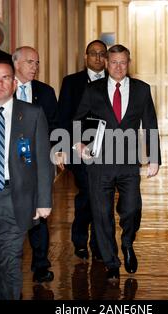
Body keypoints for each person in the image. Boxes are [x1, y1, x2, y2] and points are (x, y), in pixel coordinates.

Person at [73, 44, 161, 281]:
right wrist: (78, 144)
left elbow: (150, 125)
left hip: (129, 163)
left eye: (123, 62)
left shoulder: (142, 90)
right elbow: (77, 120)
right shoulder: (93, 90)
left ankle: (127, 242)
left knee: (132, 208)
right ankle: (111, 262)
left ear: (128, 63)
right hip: (99, 163)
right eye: (114, 62)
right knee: (101, 214)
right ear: (106, 64)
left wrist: (154, 159)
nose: (118, 67)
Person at [0, 60, 53, 299]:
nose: (0, 83)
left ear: (15, 83)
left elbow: (43, 161)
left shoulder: (32, 114)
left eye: (6, 78)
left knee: (10, 258)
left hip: (16, 196)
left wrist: (44, 200)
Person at [57, 39, 107, 261]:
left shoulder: (116, 81)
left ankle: (98, 244)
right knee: (88, 193)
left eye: (101, 54)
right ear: (85, 57)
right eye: (93, 53)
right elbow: (63, 116)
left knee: (103, 197)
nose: (97, 57)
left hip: (108, 150)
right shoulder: (72, 82)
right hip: (80, 149)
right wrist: (63, 148)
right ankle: (79, 240)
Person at [12, 46, 57, 283]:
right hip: (10, 164)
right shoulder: (3, 89)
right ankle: (11, 265)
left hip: (39, 164)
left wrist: (57, 151)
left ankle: (41, 265)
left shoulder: (46, 92)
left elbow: (55, 125)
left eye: (37, 63)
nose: (35, 67)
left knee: (40, 213)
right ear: (16, 63)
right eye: (30, 62)